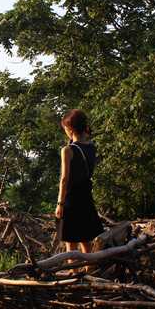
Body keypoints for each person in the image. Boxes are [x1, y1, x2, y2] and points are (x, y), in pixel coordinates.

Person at [55, 109, 104, 260]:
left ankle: (74, 272)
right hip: (86, 196)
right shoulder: (91, 147)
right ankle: (89, 269)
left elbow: (64, 179)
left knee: (71, 242)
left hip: (72, 198)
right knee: (86, 239)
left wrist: (60, 204)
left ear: (70, 129)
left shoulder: (68, 150)